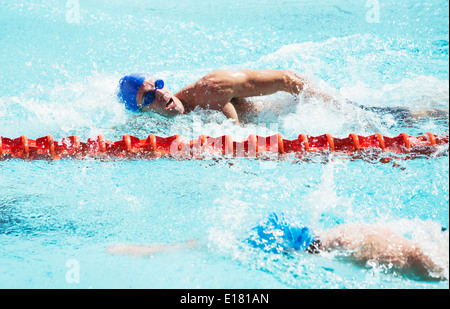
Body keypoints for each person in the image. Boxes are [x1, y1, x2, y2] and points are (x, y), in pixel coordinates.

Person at [107, 212, 448, 281]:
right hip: (307, 241)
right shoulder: (435, 266)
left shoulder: (435, 261)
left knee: (215, 245)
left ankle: (149, 249)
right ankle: (150, 249)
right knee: (216, 245)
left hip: (318, 236)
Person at [117, 70, 448, 125]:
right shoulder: (169, 115)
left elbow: (234, 130)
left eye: (158, 86)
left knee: (374, 117)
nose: (162, 96)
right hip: (281, 108)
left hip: (302, 95)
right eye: (149, 98)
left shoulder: (208, 91)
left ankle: (434, 113)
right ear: (141, 111)